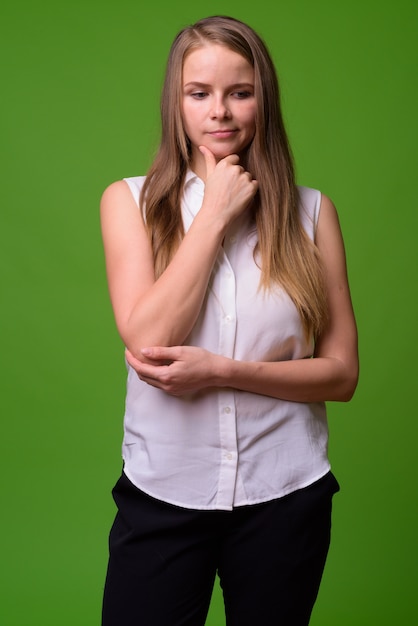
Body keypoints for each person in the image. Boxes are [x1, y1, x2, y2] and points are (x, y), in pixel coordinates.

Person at [100, 15, 358, 626]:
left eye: (240, 92)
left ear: (262, 100)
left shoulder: (313, 213)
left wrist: (222, 371)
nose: (221, 112)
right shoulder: (128, 202)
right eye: (200, 94)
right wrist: (213, 214)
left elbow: (342, 375)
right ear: (176, 102)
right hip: (164, 492)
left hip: (285, 492)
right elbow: (147, 338)